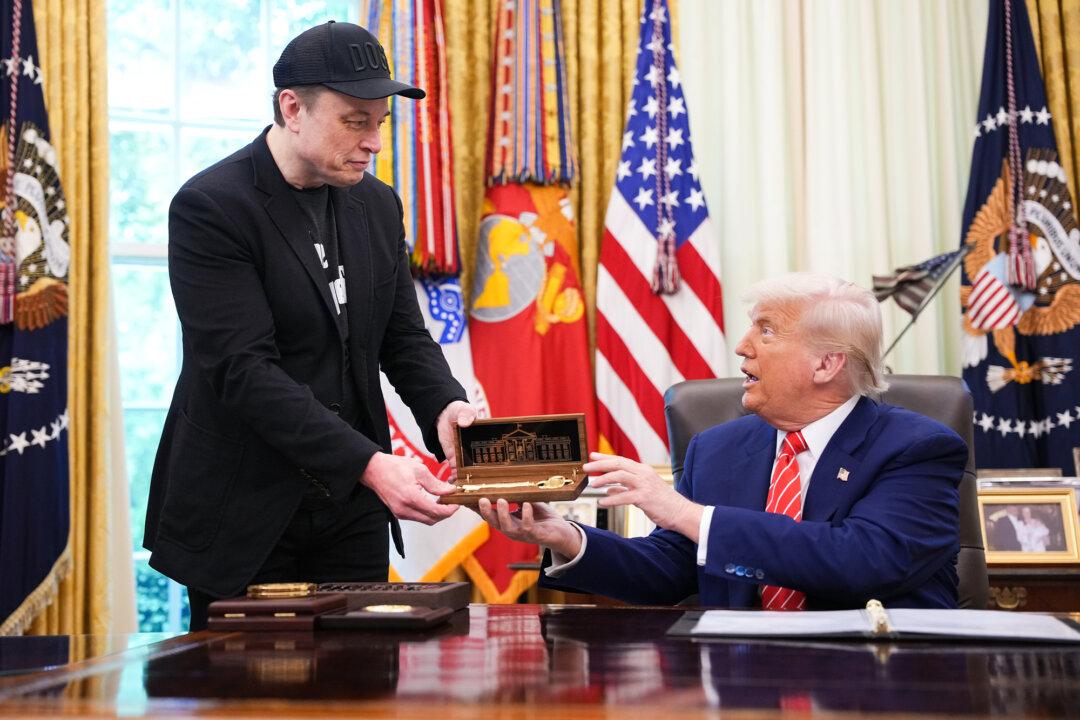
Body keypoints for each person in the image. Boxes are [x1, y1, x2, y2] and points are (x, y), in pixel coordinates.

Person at [143, 20, 475, 630]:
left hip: (350, 509)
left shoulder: (377, 204)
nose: (375, 141)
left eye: (381, 121)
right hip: (245, 510)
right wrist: (371, 463)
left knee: (363, 687)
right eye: (356, 120)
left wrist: (444, 409)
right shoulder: (212, 206)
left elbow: (402, 336)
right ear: (292, 108)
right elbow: (243, 372)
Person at [480, 273, 967, 609]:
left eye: (767, 330)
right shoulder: (717, 449)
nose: (742, 345)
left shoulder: (917, 448)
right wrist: (563, 536)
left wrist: (685, 513)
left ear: (826, 364)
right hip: (739, 681)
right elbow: (669, 569)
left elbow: (862, 559)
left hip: (881, 685)